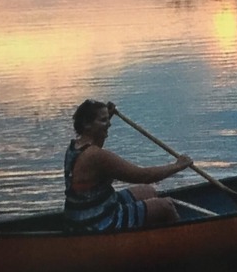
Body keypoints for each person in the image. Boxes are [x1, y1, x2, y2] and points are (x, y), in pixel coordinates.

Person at [64, 99, 193, 231]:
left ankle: (145, 234)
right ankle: (181, 241)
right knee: (167, 206)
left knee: (148, 191)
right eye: (103, 120)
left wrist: (107, 117)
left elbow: (96, 139)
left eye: (108, 120)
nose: (109, 125)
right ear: (87, 124)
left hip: (95, 208)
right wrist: (178, 166)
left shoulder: (76, 146)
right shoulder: (96, 156)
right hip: (97, 221)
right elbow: (144, 176)